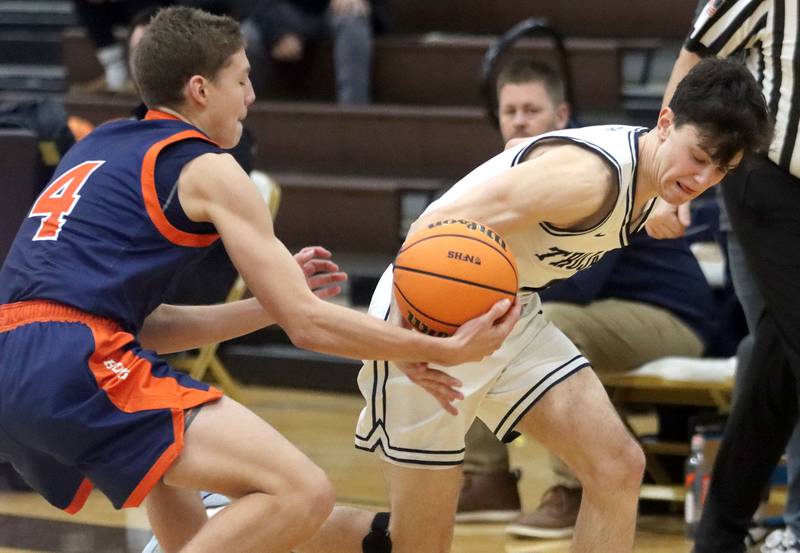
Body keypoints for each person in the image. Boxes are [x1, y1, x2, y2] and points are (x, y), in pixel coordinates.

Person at [0, 7, 519, 553]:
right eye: (242, 79)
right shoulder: (205, 165)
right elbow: (309, 326)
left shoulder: (98, 145)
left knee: (193, 534)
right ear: (200, 89)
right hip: (80, 362)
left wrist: (265, 304)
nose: (251, 96)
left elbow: (145, 325)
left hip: (21, 358)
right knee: (300, 491)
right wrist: (439, 347)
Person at [293, 56, 771, 553]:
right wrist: (408, 340)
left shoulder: (655, 174)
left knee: (617, 465)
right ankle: (263, 529)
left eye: (721, 169)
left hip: (509, 316)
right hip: (430, 313)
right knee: (415, 544)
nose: (703, 178)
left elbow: (523, 150)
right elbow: (427, 229)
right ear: (666, 122)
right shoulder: (587, 180)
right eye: (699, 158)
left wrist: (664, 201)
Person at [450, 58, 717, 539]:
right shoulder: (526, 166)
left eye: (532, 109)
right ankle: (486, 478)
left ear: (562, 115)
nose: (519, 120)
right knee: (473, 310)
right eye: (509, 110)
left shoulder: (593, 165)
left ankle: (576, 488)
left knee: (548, 321)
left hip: (675, 318)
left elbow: (576, 284)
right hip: (607, 309)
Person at [644, 2, 800, 552]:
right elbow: (696, 54)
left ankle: (720, 531)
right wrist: (659, 175)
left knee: (779, 353)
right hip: (771, 181)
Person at [242, 0, 389, 104]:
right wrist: (278, 31)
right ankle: (242, 124)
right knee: (244, 37)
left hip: (338, 11)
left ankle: (355, 116)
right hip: (281, 11)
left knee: (353, 15)